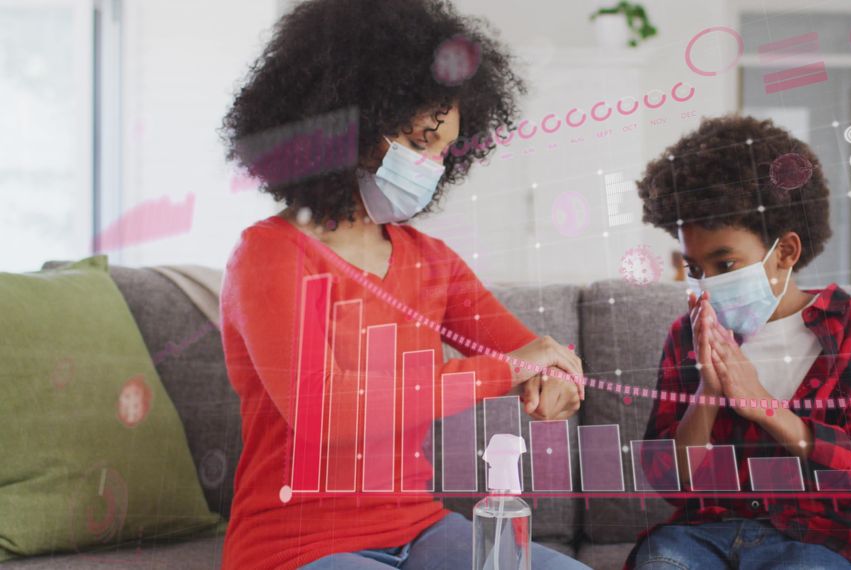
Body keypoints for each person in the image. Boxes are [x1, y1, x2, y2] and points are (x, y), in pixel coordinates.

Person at [218, 1, 588, 568]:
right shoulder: (269, 256)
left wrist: (557, 378)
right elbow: (329, 415)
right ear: (351, 121)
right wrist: (506, 370)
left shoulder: (431, 262)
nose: (431, 167)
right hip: (293, 545)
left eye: (443, 152)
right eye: (418, 143)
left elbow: (531, 355)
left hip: (421, 527)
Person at [627, 115, 851, 569]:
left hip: (820, 540)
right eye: (695, 269)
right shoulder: (687, 335)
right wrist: (708, 394)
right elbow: (668, 481)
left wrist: (763, 406)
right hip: (702, 537)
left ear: (786, 252)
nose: (707, 285)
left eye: (725, 263)